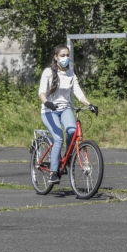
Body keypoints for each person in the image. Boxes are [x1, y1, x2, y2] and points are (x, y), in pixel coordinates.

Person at [38, 45, 98, 184]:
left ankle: (68, 158)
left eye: (67, 55)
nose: (66, 58)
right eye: (62, 55)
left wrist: (90, 105)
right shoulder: (48, 72)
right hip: (49, 110)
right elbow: (41, 92)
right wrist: (47, 102)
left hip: (65, 109)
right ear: (56, 57)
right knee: (58, 138)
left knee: (72, 132)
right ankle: (54, 172)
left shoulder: (71, 73)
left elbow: (78, 92)